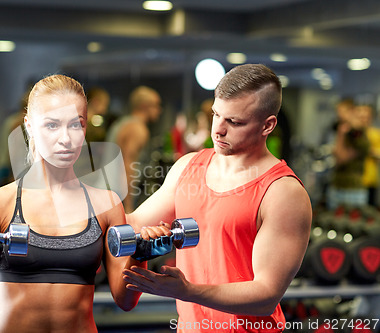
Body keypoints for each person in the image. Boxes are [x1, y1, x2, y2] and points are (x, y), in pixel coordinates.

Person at [122, 64, 312, 332]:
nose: (219, 130)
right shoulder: (188, 166)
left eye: (234, 122)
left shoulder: (283, 192)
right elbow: (132, 223)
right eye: (216, 115)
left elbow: (266, 296)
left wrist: (188, 291)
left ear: (267, 125)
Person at [0, 74, 151, 333]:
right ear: (29, 126)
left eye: (76, 125)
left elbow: (125, 300)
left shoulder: (106, 204)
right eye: (52, 125)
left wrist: (141, 255)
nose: (66, 138)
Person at [106, 86, 162, 212]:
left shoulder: (123, 123)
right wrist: (128, 207)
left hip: (111, 194)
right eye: (156, 105)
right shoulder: (137, 129)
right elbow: (127, 167)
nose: (159, 110)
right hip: (116, 197)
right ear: (144, 106)